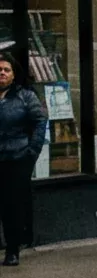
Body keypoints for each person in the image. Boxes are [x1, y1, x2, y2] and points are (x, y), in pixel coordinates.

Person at [0, 50, 43, 266]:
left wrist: (31, 152)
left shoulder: (25, 96)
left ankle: (13, 249)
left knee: (12, 206)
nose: (2, 73)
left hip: (17, 158)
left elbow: (39, 122)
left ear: (14, 74)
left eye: (6, 70)